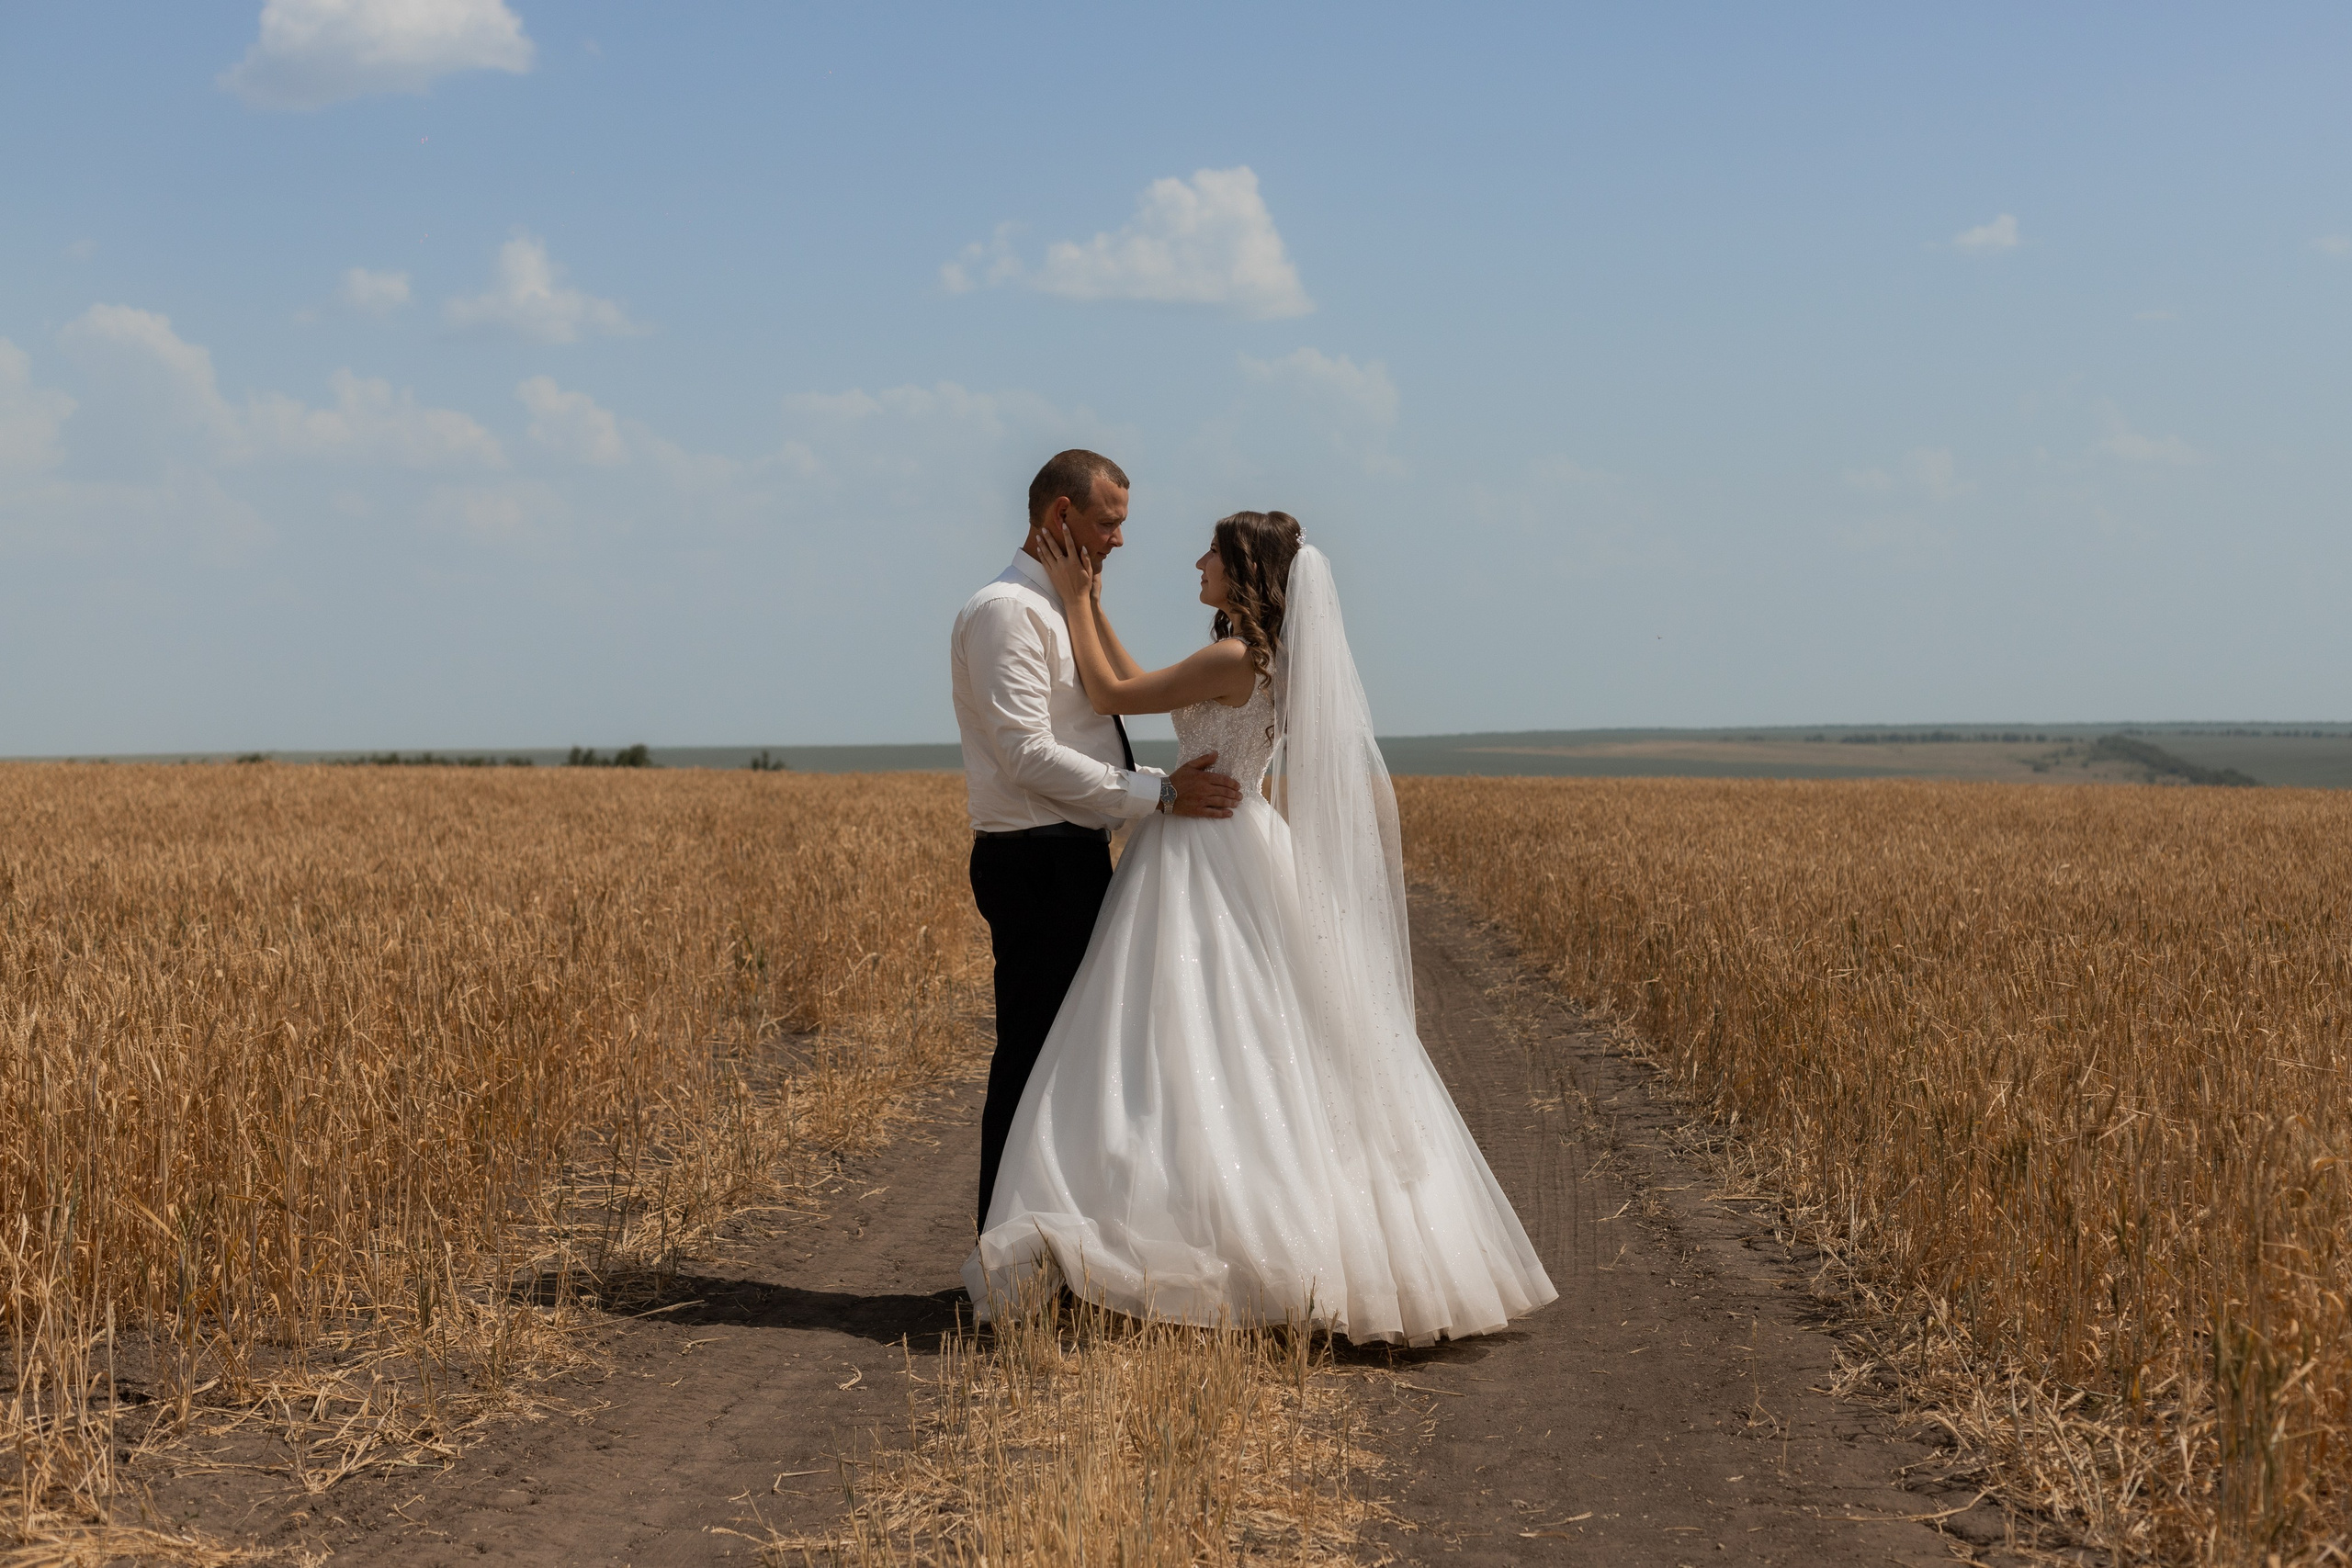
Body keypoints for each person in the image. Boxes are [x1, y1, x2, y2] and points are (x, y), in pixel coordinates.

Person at [962, 508, 1556, 1345]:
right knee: (1239, 1032)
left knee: (1187, 1031)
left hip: (1203, 844)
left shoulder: (1234, 658)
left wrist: (1073, 597)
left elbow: (1110, 694)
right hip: (1231, 837)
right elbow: (1140, 679)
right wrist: (1089, 604)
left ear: (1244, 570)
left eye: (1212, 551)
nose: (1197, 561)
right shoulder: (1251, 659)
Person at [950, 450, 1244, 1239]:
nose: (1119, 539)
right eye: (1109, 522)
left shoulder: (1060, 607)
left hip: (1071, 855)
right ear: (1061, 516)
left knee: (1073, 1062)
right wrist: (1161, 794)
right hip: (1034, 859)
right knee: (1034, 1056)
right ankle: (1005, 1257)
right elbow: (1027, 756)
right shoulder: (1007, 611)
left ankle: (1053, 1245)